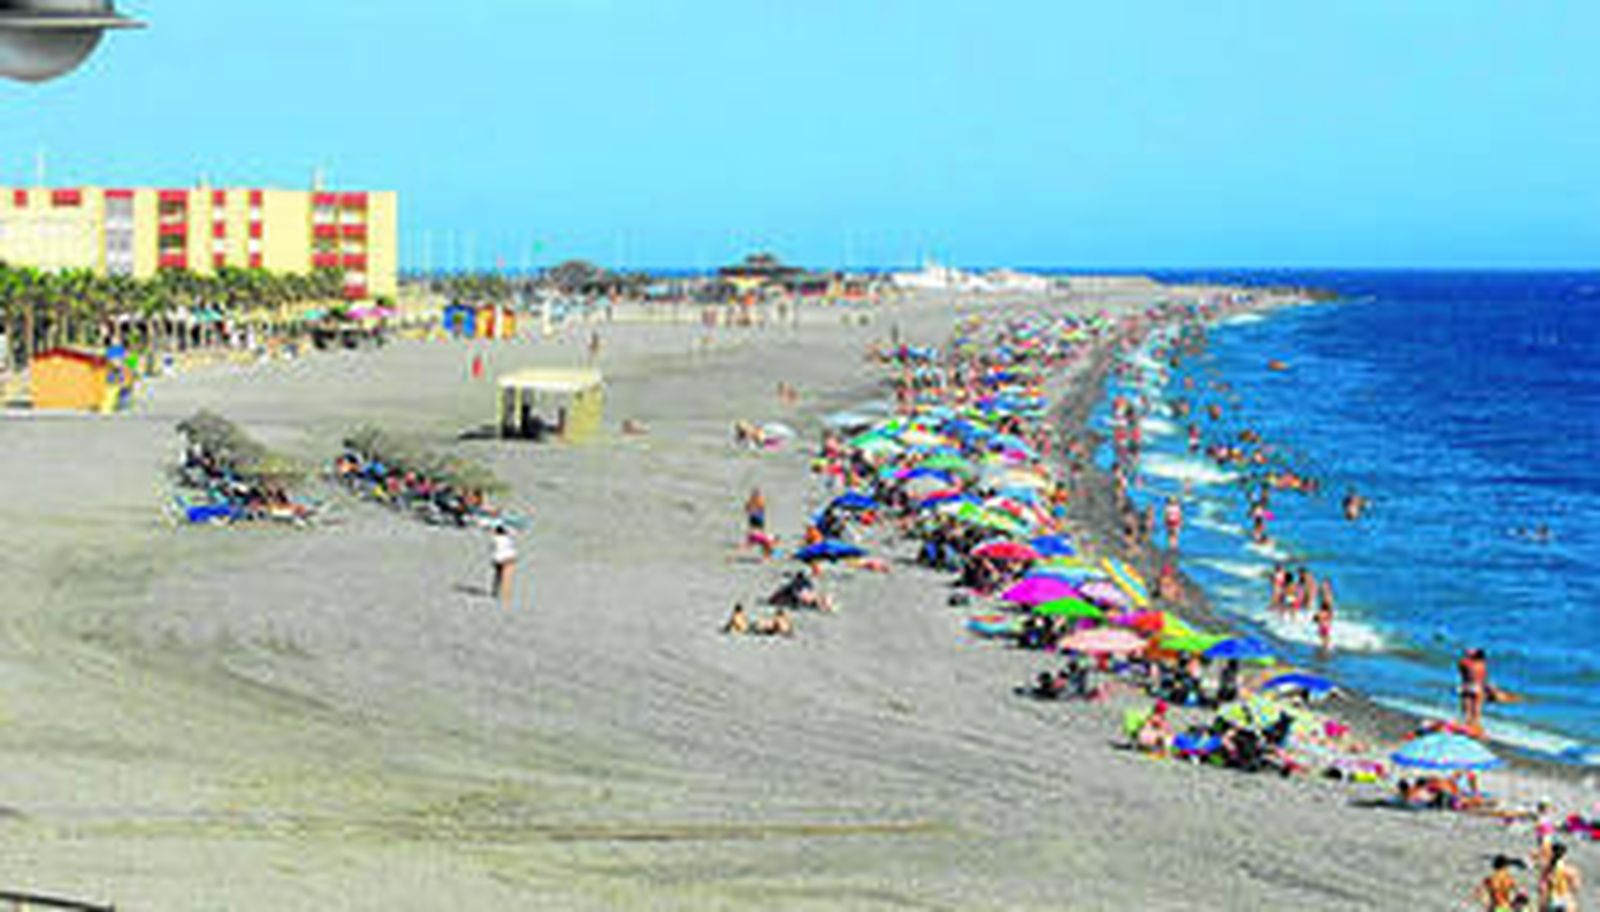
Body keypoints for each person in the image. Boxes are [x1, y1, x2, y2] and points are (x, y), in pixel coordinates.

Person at [1538, 842, 1582, 912]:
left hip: (1551, 900)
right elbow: (1576, 887)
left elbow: (1542, 889)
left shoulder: (1547, 870)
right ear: (1564, 855)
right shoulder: (1570, 871)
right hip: (1565, 900)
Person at [1460, 648, 1490, 734]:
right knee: (1477, 708)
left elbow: (1462, 672)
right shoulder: (1482, 665)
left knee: (1467, 707)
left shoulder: (1466, 663)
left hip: (1466, 685)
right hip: (1477, 686)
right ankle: (1475, 726)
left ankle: (1467, 724)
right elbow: (1484, 678)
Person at [490, 523, 517, 607]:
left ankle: (495, 590)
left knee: (497, 575)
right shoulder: (508, 539)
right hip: (508, 558)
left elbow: (493, 547)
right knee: (506, 576)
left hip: (498, 559)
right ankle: (504, 593)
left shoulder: (496, 539)